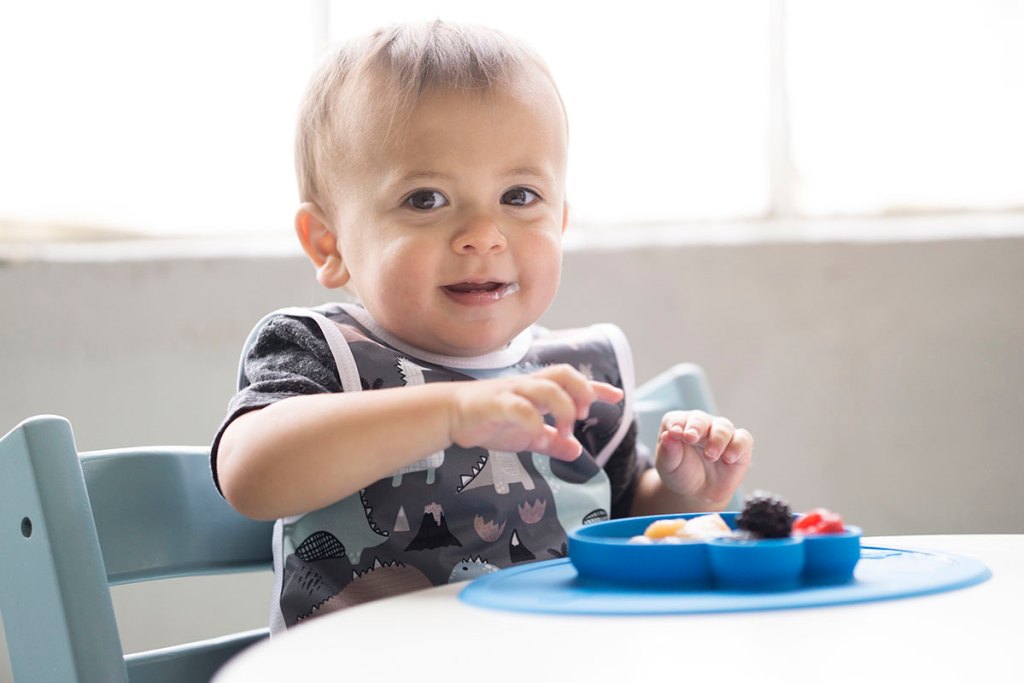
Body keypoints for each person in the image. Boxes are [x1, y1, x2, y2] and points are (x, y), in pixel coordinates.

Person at [212, 20, 753, 633]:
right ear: (329, 242)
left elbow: (626, 521)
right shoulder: (323, 352)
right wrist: (450, 413)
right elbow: (252, 477)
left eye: (519, 196)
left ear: (563, 218)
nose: (484, 235)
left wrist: (685, 495)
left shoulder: (578, 379)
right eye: (426, 199)